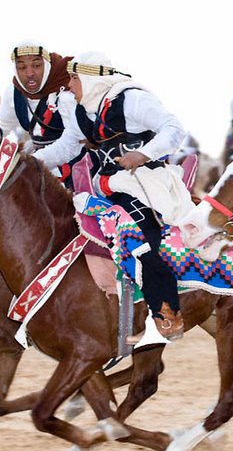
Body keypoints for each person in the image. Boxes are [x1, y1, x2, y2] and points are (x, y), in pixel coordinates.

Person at [34, 51, 191, 340]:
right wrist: (28, 161)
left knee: (136, 234)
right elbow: (66, 148)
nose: (68, 85)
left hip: (146, 181)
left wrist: (143, 154)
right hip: (109, 186)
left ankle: (168, 312)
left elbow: (174, 128)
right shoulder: (85, 110)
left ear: (91, 78)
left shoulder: (131, 99)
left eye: (73, 78)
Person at [0, 41, 76, 152]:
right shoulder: (15, 92)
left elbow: (76, 139)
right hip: (39, 162)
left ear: (46, 64)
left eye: (36, 65)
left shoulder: (66, 89)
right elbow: (0, 125)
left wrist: (36, 158)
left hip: (76, 162)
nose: (29, 73)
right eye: (21, 67)